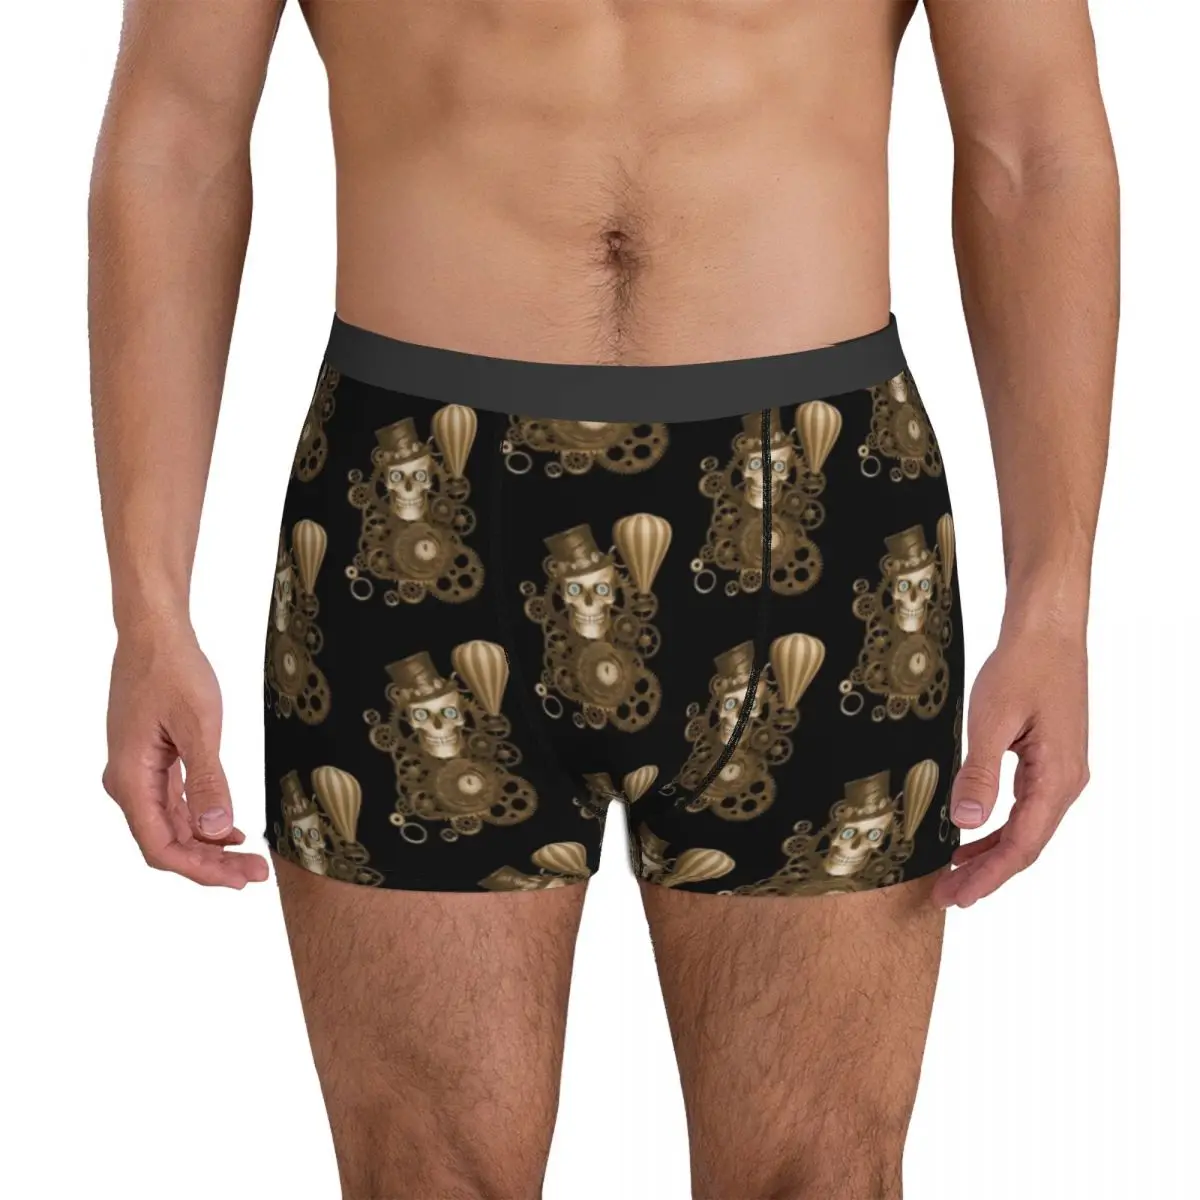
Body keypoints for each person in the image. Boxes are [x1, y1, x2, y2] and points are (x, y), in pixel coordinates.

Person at [90, 1, 1116, 1196]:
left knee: (821, 1174)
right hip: (416, 499)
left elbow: (1033, 146)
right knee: (424, 1178)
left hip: (819, 491)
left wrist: (1054, 606)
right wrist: (146, 607)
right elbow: (174, 140)